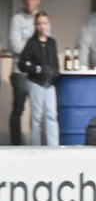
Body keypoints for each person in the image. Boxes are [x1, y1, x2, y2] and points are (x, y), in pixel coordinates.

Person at [17, 11, 59, 145]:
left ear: (49, 24)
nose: (42, 26)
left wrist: (55, 74)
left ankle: (54, 146)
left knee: (52, 115)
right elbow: (22, 64)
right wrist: (35, 69)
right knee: (37, 118)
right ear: (36, 25)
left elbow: (55, 61)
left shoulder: (52, 42)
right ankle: (37, 146)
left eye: (45, 23)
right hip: (36, 83)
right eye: (39, 24)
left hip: (50, 83)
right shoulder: (31, 43)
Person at [8, 0, 41, 145]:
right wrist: (34, 49)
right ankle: (15, 145)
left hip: (37, 72)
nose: (29, 2)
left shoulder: (41, 19)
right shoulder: (17, 19)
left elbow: (46, 44)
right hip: (19, 71)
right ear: (23, 1)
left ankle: (36, 145)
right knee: (18, 110)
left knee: (37, 110)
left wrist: (31, 48)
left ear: (38, 0)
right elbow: (15, 46)